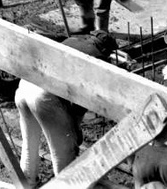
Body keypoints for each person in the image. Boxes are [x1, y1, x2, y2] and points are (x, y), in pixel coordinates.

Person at [15, 31, 125, 184]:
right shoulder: (97, 59)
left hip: (26, 86)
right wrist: (74, 130)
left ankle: (28, 182)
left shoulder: (71, 41)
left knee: (29, 145)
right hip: (44, 96)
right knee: (62, 154)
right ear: (106, 51)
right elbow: (81, 103)